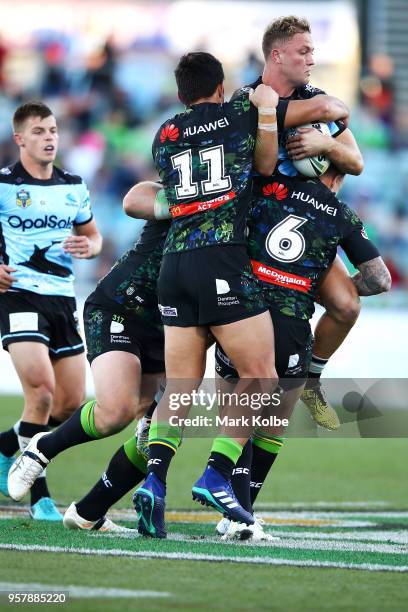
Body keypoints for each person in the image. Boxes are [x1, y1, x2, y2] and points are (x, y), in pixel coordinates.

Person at [132, 51, 281, 539]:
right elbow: (263, 163)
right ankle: (217, 471)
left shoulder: (166, 133)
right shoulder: (237, 114)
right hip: (221, 258)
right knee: (263, 375)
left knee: (180, 387)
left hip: (174, 264)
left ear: (180, 94)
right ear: (221, 86)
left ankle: (154, 482)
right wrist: (261, 108)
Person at [214, 166, 391, 539]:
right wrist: (315, 285)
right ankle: (244, 512)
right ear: (336, 176)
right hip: (295, 327)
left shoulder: (265, 188)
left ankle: (237, 513)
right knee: (272, 425)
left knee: (236, 412)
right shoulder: (340, 213)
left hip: (245, 314)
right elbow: (379, 280)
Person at [7, 182, 169, 527]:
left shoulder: (248, 212)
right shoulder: (205, 188)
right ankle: (42, 447)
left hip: (173, 323)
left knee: (157, 427)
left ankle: (89, 512)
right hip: (121, 306)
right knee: (116, 411)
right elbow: (134, 198)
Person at [252, 15, 365, 429]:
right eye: (304, 51)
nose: (312, 59)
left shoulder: (315, 97)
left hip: (305, 233)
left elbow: (355, 162)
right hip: (255, 236)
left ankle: (312, 379)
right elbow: (259, 170)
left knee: (347, 304)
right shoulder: (249, 100)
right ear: (277, 55)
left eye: (313, 51)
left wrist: (325, 143)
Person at [0, 101, 102, 520]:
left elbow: (93, 237)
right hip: (18, 297)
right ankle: (39, 495)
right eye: (40, 131)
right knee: (40, 394)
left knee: (69, 404)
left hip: (62, 299)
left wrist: (89, 246)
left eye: (54, 131)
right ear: (20, 138)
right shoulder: (3, 185)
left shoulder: (74, 185)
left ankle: (7, 446)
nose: (49, 138)